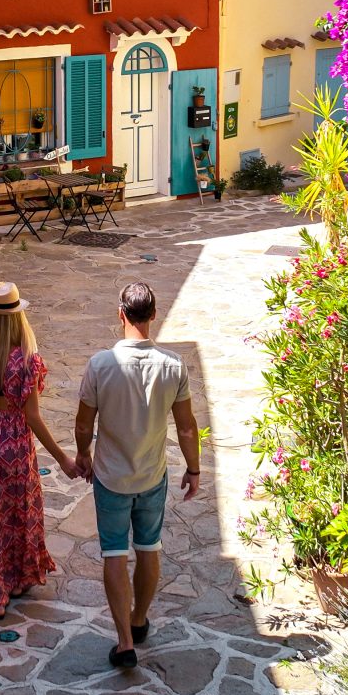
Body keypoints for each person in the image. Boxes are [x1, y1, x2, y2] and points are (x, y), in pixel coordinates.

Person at [74, 281, 202, 669]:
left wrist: (83, 454)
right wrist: (193, 467)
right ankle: (140, 619)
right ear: (154, 315)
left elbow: (83, 423)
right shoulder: (172, 366)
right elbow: (186, 427)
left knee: (114, 554)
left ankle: (125, 642)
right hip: (151, 475)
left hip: (111, 476)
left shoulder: (100, 365)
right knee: (149, 548)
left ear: (121, 314)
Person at [0, 281, 78, 620]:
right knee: (15, 513)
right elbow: (32, 416)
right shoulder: (26, 362)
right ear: (17, 319)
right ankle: (17, 579)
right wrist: (63, 458)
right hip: (14, 445)